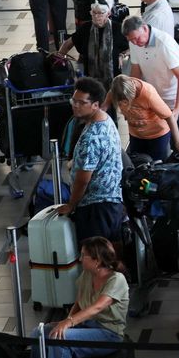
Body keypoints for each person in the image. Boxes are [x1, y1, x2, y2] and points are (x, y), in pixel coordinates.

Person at [30, 236, 127, 358]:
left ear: (97, 260)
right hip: (87, 325)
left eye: (83, 256)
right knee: (38, 332)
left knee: (60, 338)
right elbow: (79, 303)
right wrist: (65, 322)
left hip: (109, 333)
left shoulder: (117, 279)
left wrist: (68, 324)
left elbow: (97, 307)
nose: (80, 259)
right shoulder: (87, 274)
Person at [59, 77, 125, 239]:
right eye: (74, 101)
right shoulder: (105, 119)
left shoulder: (91, 137)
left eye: (81, 103)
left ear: (95, 105)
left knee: (96, 258)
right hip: (112, 201)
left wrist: (71, 205)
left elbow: (83, 180)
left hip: (96, 208)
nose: (75, 105)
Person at [123, 15, 179, 145]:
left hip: (177, 95)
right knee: (160, 136)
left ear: (145, 28)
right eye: (131, 40)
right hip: (158, 96)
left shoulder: (164, 43)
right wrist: (131, 101)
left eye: (137, 38)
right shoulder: (134, 42)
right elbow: (136, 72)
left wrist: (176, 110)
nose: (135, 43)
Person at [108, 74, 179, 160]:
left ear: (132, 91)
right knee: (138, 166)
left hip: (157, 136)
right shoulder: (116, 90)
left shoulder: (148, 94)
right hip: (136, 136)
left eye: (127, 101)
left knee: (157, 167)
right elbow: (104, 107)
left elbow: (169, 117)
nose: (124, 105)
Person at [58, 0, 127, 89]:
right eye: (93, 13)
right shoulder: (85, 28)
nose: (96, 16)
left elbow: (133, 46)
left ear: (108, 13)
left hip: (114, 83)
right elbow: (67, 44)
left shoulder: (118, 29)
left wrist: (122, 55)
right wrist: (60, 59)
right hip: (89, 82)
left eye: (100, 13)